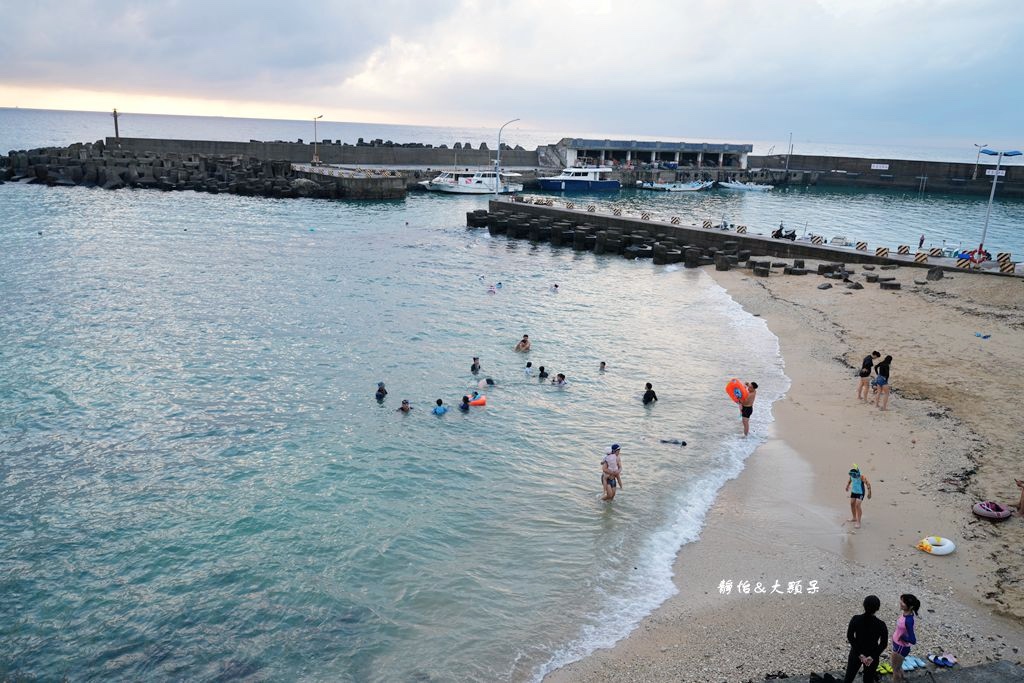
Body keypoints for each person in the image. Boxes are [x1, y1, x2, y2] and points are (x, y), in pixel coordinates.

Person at [843, 595, 888, 683]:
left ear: (863, 605)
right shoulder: (881, 624)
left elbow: (850, 636)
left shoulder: (856, 619)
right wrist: (872, 656)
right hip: (872, 655)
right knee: (868, 680)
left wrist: (860, 654)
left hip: (856, 652)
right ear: (877, 608)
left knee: (848, 678)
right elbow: (883, 644)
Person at [891, 594, 920, 682]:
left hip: (900, 647)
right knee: (898, 667)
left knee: (895, 670)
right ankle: (903, 679)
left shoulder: (909, 620)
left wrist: (903, 637)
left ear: (911, 606)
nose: (901, 603)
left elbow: (913, 640)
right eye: (901, 600)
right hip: (898, 645)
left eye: (903, 602)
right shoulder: (906, 614)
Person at [845, 464, 872, 529]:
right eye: (852, 475)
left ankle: (858, 522)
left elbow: (868, 484)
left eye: (855, 475)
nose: (854, 477)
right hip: (854, 492)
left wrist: (869, 493)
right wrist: (847, 486)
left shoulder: (861, 477)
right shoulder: (851, 476)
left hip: (860, 493)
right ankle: (854, 518)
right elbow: (849, 481)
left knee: (857, 505)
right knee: (852, 503)